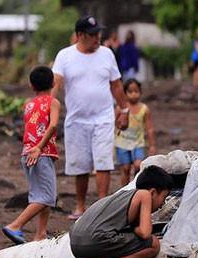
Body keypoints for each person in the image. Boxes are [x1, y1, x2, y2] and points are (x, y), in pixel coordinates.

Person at [52, 16, 130, 220]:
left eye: (98, 34)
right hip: (76, 119)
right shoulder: (65, 55)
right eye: (92, 34)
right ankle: (80, 207)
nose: (97, 38)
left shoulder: (106, 54)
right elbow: (56, 83)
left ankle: (102, 205)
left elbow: (116, 84)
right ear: (79, 36)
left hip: (103, 117)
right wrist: (46, 106)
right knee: (81, 164)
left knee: (103, 161)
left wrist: (125, 110)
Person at [64, 165, 173, 258]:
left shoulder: (121, 196)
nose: (162, 205)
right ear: (153, 192)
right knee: (153, 244)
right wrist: (137, 229)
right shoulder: (144, 195)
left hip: (76, 243)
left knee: (114, 238)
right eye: (163, 198)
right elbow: (145, 233)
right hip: (95, 240)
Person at [3, 66, 61, 244]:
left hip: (27, 153)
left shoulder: (28, 104)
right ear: (53, 83)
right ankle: (15, 225)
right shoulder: (53, 102)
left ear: (31, 85)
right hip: (39, 153)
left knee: (40, 194)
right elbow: (52, 125)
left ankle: (40, 234)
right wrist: (39, 147)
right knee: (47, 197)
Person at [115, 79, 156, 186]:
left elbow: (149, 128)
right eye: (130, 92)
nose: (133, 94)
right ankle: (124, 191)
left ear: (140, 92)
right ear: (125, 93)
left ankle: (135, 186)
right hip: (122, 142)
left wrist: (152, 145)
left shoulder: (144, 109)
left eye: (136, 91)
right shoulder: (120, 109)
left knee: (138, 165)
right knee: (125, 168)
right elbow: (114, 125)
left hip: (138, 143)